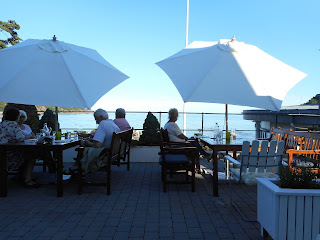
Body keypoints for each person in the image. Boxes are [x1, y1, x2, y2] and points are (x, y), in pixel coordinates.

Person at [0, 108, 39, 188]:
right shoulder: (13, 124)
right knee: (32, 155)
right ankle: (27, 180)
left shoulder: (3, 124)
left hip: (2, 153)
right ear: (16, 116)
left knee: (27, 153)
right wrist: (30, 136)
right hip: (8, 156)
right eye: (19, 116)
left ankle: (22, 176)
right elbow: (20, 138)